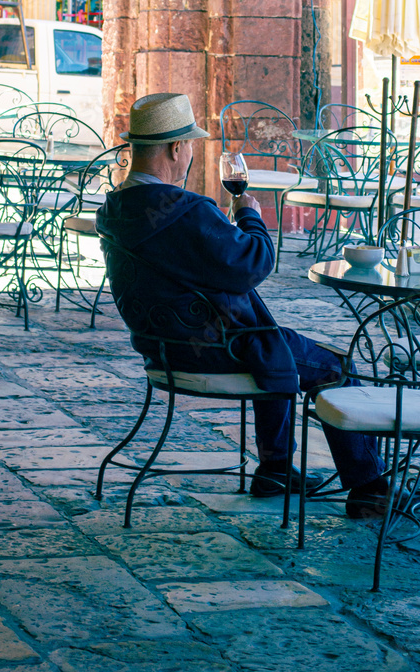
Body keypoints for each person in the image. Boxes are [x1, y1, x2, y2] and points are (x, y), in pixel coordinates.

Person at [96, 93, 387, 516]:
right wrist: (249, 214)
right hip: (220, 349)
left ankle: (276, 469)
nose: (190, 154)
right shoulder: (187, 211)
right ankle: (370, 488)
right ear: (176, 148)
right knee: (333, 367)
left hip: (161, 347)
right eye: (190, 145)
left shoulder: (115, 208)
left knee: (276, 343)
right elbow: (254, 263)